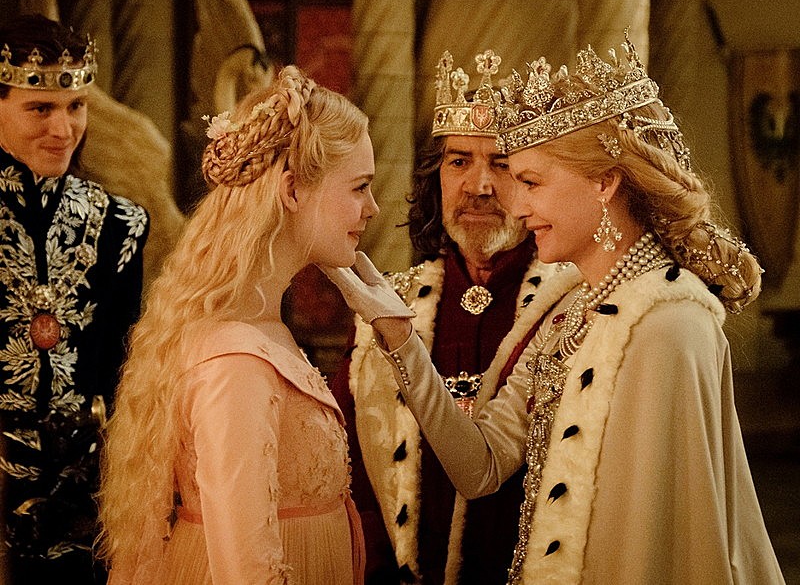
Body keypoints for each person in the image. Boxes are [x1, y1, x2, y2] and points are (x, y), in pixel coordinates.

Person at [322, 33, 786, 583]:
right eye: (460, 162)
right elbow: (481, 466)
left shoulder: (670, 323)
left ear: (605, 183)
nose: (514, 205)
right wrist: (399, 335)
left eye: (529, 181)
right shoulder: (571, 313)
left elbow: (661, 542)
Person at [98, 65, 378, 585]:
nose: (372, 209)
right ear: (292, 191)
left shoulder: (261, 325)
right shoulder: (234, 361)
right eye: (360, 187)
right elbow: (247, 571)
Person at [331, 49, 555, 584]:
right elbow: (348, 463)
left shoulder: (568, 304)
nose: (479, 186)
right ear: (436, 177)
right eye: (459, 162)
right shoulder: (391, 304)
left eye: (501, 163)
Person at [0, 15, 149, 584]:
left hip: (81, 504)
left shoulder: (121, 225)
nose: (63, 129)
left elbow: (123, 379)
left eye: (76, 106)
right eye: (40, 108)